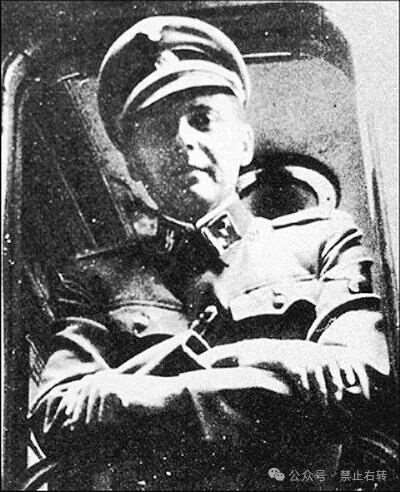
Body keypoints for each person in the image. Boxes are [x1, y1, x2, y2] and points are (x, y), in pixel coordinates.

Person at [29, 16, 390, 489]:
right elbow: (57, 414)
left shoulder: (322, 240)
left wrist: (136, 391)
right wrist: (267, 364)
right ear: (134, 165)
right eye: (158, 129)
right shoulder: (95, 279)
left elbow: (362, 382)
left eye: (202, 118)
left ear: (244, 143)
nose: (182, 140)